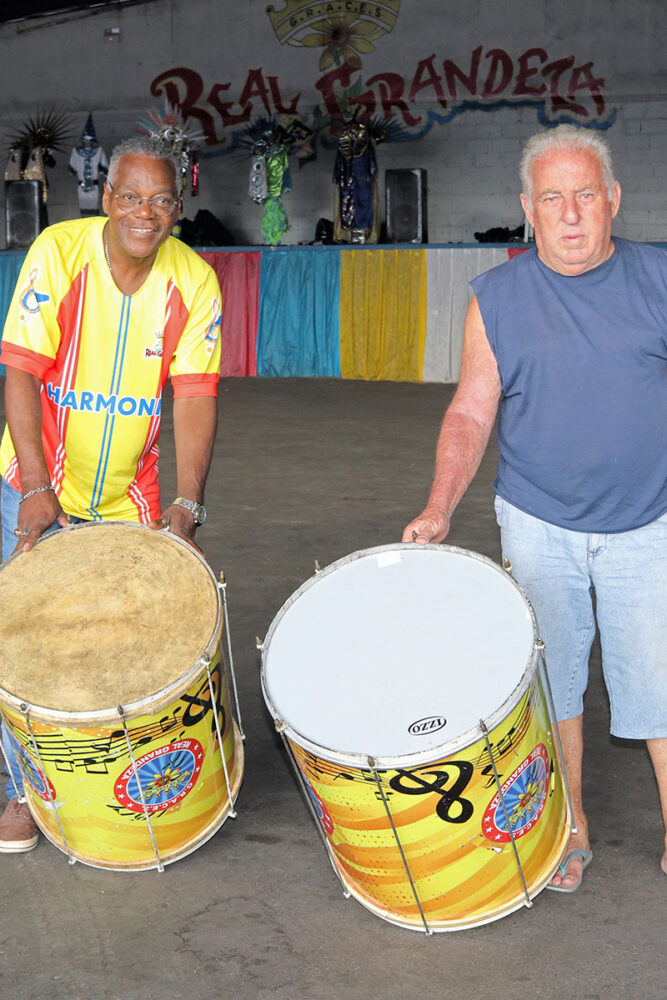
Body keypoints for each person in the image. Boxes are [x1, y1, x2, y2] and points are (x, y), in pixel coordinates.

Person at [403, 125, 667, 890]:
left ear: (613, 200)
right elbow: (470, 411)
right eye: (552, 198)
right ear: (528, 209)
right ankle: (570, 822)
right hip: (538, 519)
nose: (571, 213)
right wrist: (439, 504)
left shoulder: (657, 278)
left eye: (585, 194)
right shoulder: (497, 297)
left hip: (648, 520)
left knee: (657, 678)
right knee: (550, 679)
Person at [0, 136, 222, 852]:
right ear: (106, 198)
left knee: (112, 647)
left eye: (161, 201)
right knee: (21, 643)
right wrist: (37, 487)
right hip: (32, 491)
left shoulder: (193, 282)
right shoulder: (60, 254)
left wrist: (186, 505)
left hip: (128, 503)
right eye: (130, 196)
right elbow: (22, 374)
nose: (145, 213)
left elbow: (193, 399)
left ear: (177, 210)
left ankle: (103, 790)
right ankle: (20, 793)